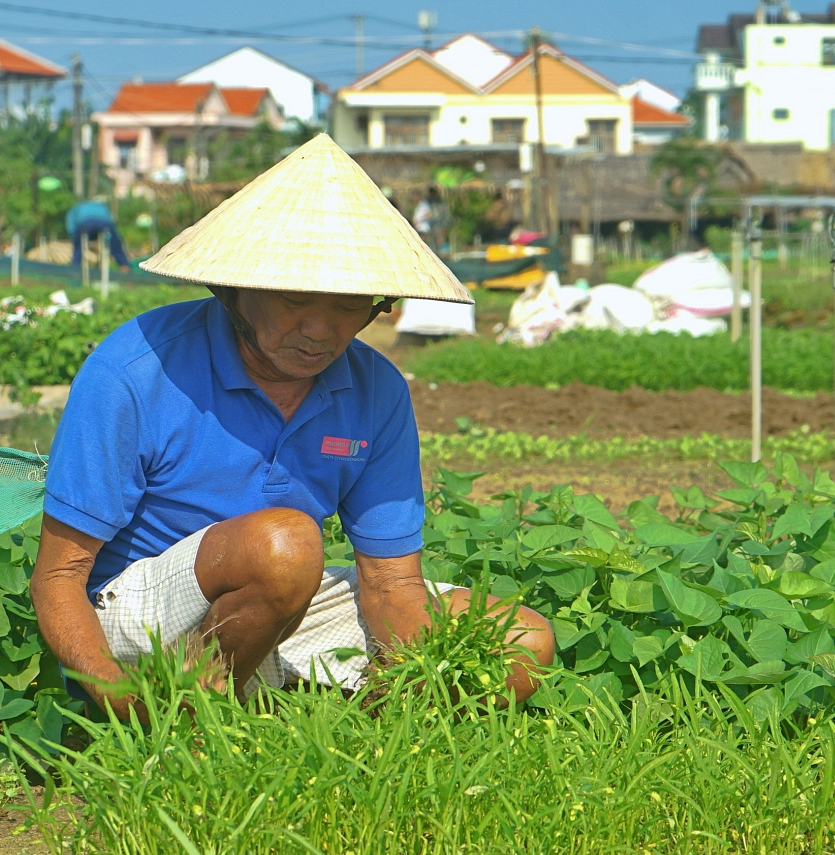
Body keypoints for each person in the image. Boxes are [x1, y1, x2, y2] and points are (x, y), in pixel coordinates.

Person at [32, 135, 553, 718]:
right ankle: (187, 718)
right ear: (236, 289)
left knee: (521, 642)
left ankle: (358, 729)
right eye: (297, 299)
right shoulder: (135, 370)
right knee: (286, 544)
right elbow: (59, 576)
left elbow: (389, 583)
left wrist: (411, 676)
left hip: (275, 607)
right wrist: (110, 694)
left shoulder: (376, 389)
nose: (321, 331)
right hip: (137, 616)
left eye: (349, 306)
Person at [67, 200, 132, 268]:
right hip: (105, 224)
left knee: (79, 245)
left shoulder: (75, 208)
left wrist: (73, 236)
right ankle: (124, 265)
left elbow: (71, 225)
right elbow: (111, 220)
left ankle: (74, 266)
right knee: (114, 244)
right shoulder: (102, 206)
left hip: (85, 224)